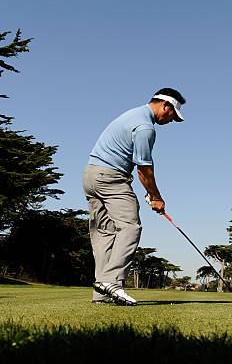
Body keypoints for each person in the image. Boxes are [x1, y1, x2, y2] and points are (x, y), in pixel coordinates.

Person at [83, 88, 186, 305]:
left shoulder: (132, 113)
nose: (172, 120)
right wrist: (155, 196)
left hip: (91, 175)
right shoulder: (145, 127)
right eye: (172, 115)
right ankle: (112, 282)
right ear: (165, 106)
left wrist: (149, 192)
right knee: (130, 227)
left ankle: (101, 294)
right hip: (111, 177)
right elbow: (143, 168)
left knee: (105, 233)